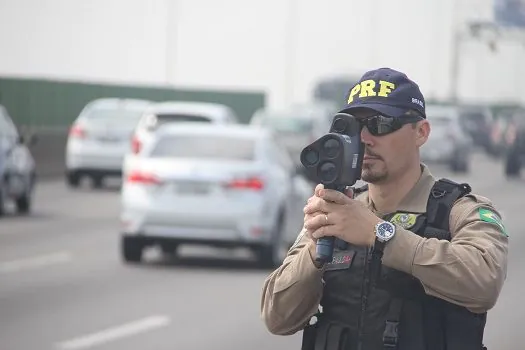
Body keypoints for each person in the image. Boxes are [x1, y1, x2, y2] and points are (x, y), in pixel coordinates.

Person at [260, 67, 509, 350]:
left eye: (380, 124)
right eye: (355, 126)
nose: (365, 138)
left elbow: (484, 284)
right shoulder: (338, 210)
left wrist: (382, 235)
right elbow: (277, 317)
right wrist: (315, 252)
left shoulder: (459, 211)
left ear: (421, 132)